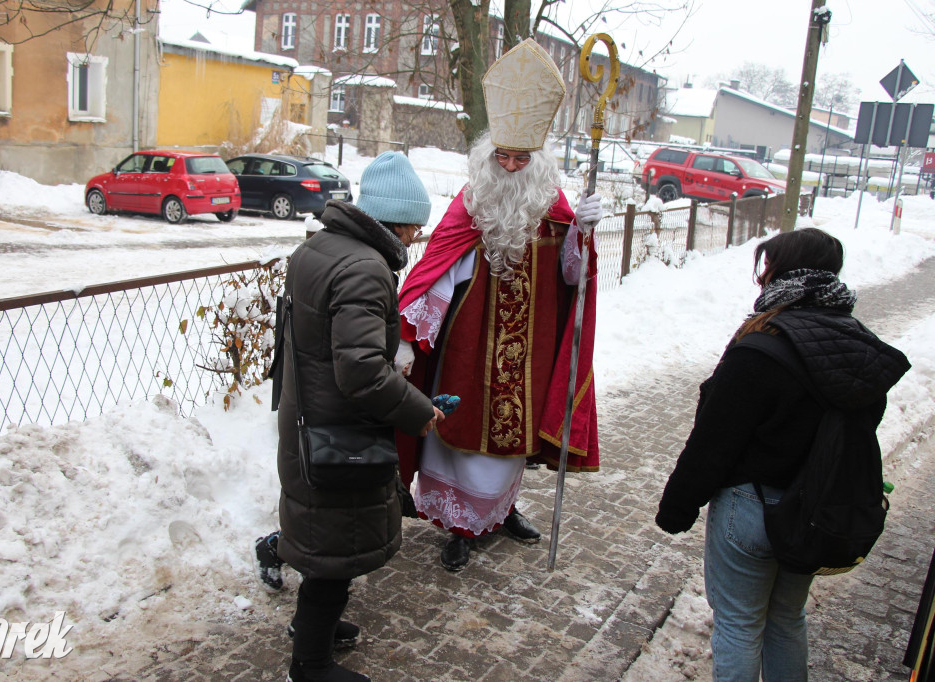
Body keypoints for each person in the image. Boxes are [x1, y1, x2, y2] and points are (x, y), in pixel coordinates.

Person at [655, 228, 910, 681]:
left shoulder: (760, 346)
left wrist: (678, 506)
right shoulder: (857, 344)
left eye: (767, 267)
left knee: (738, 624)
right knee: (787, 619)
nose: (761, 277)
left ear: (784, 273)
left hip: (749, 510)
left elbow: (713, 442)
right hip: (812, 510)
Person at [395, 38, 604, 572]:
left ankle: (501, 509)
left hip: (530, 346)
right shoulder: (471, 202)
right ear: (488, 156)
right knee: (459, 432)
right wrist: (414, 327)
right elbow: (438, 269)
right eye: (503, 156)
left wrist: (582, 233)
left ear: (538, 161)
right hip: (468, 344)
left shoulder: (553, 205)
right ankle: (459, 525)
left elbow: (573, 279)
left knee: (515, 436)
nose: (510, 167)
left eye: (521, 158)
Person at [272, 151, 444, 682]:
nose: (417, 235)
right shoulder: (366, 269)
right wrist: (421, 413)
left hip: (308, 422)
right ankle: (312, 664)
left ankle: (312, 627)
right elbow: (363, 373)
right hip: (337, 434)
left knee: (322, 539)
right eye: (416, 224)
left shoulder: (321, 247)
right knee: (337, 549)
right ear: (396, 218)